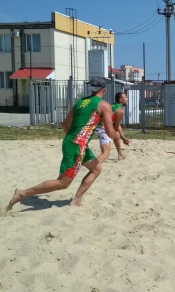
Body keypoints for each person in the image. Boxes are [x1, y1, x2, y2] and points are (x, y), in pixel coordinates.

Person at [7, 80, 120, 209]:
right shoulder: (104, 105)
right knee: (63, 183)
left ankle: (76, 200)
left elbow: (65, 124)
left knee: (96, 169)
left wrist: (71, 139)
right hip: (78, 145)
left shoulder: (81, 102)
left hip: (74, 143)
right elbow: (110, 132)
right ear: (104, 90)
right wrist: (119, 135)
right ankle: (22, 193)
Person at [93, 91, 130, 162]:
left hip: (95, 126)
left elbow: (116, 127)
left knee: (116, 135)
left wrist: (121, 137)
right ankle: (95, 165)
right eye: (125, 97)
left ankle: (120, 154)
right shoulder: (120, 111)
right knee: (106, 153)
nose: (127, 99)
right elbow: (116, 127)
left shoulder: (113, 105)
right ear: (120, 99)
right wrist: (123, 138)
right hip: (101, 129)